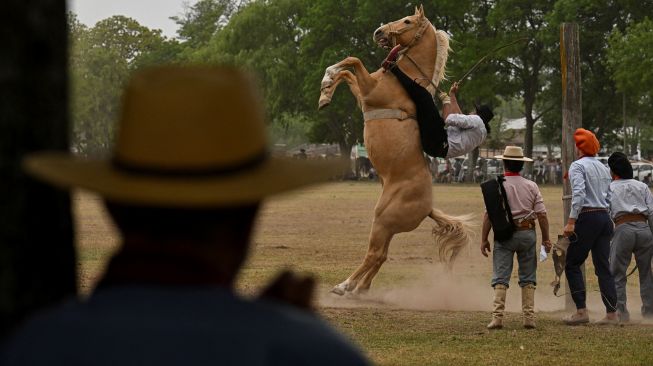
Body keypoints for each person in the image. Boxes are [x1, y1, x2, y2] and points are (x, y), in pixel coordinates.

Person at [2, 66, 369, 365]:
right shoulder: (310, 352)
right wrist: (285, 332)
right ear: (250, 210)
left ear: (112, 206)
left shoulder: (33, 346)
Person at [481, 146, 551, 329]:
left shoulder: (497, 186)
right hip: (527, 234)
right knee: (528, 276)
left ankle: (497, 318)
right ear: (521, 165)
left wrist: (484, 239)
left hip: (504, 235)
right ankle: (529, 318)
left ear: (504, 163)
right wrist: (545, 239)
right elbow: (542, 215)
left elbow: (489, 215)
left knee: (500, 277)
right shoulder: (531, 186)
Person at [562, 128, 618, 325]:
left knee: (572, 263)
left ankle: (581, 311)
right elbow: (610, 197)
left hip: (588, 216)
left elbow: (578, 194)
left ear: (579, 147)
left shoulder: (577, 166)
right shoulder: (603, 167)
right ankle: (612, 313)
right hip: (604, 218)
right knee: (603, 266)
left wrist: (571, 221)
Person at [389, 66, 492, 159]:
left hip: (439, 142)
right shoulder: (481, 133)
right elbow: (459, 116)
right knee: (423, 108)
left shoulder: (477, 121)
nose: (471, 112)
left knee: (425, 97)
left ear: (479, 115)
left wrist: (446, 102)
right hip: (437, 147)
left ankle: (393, 68)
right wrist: (452, 95)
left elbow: (447, 118)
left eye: (474, 111)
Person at [607, 152, 653, 322]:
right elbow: (652, 213)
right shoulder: (642, 186)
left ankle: (621, 311)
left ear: (613, 172)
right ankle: (649, 311)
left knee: (618, 273)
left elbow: (607, 212)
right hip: (644, 229)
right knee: (646, 273)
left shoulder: (610, 187)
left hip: (622, 229)